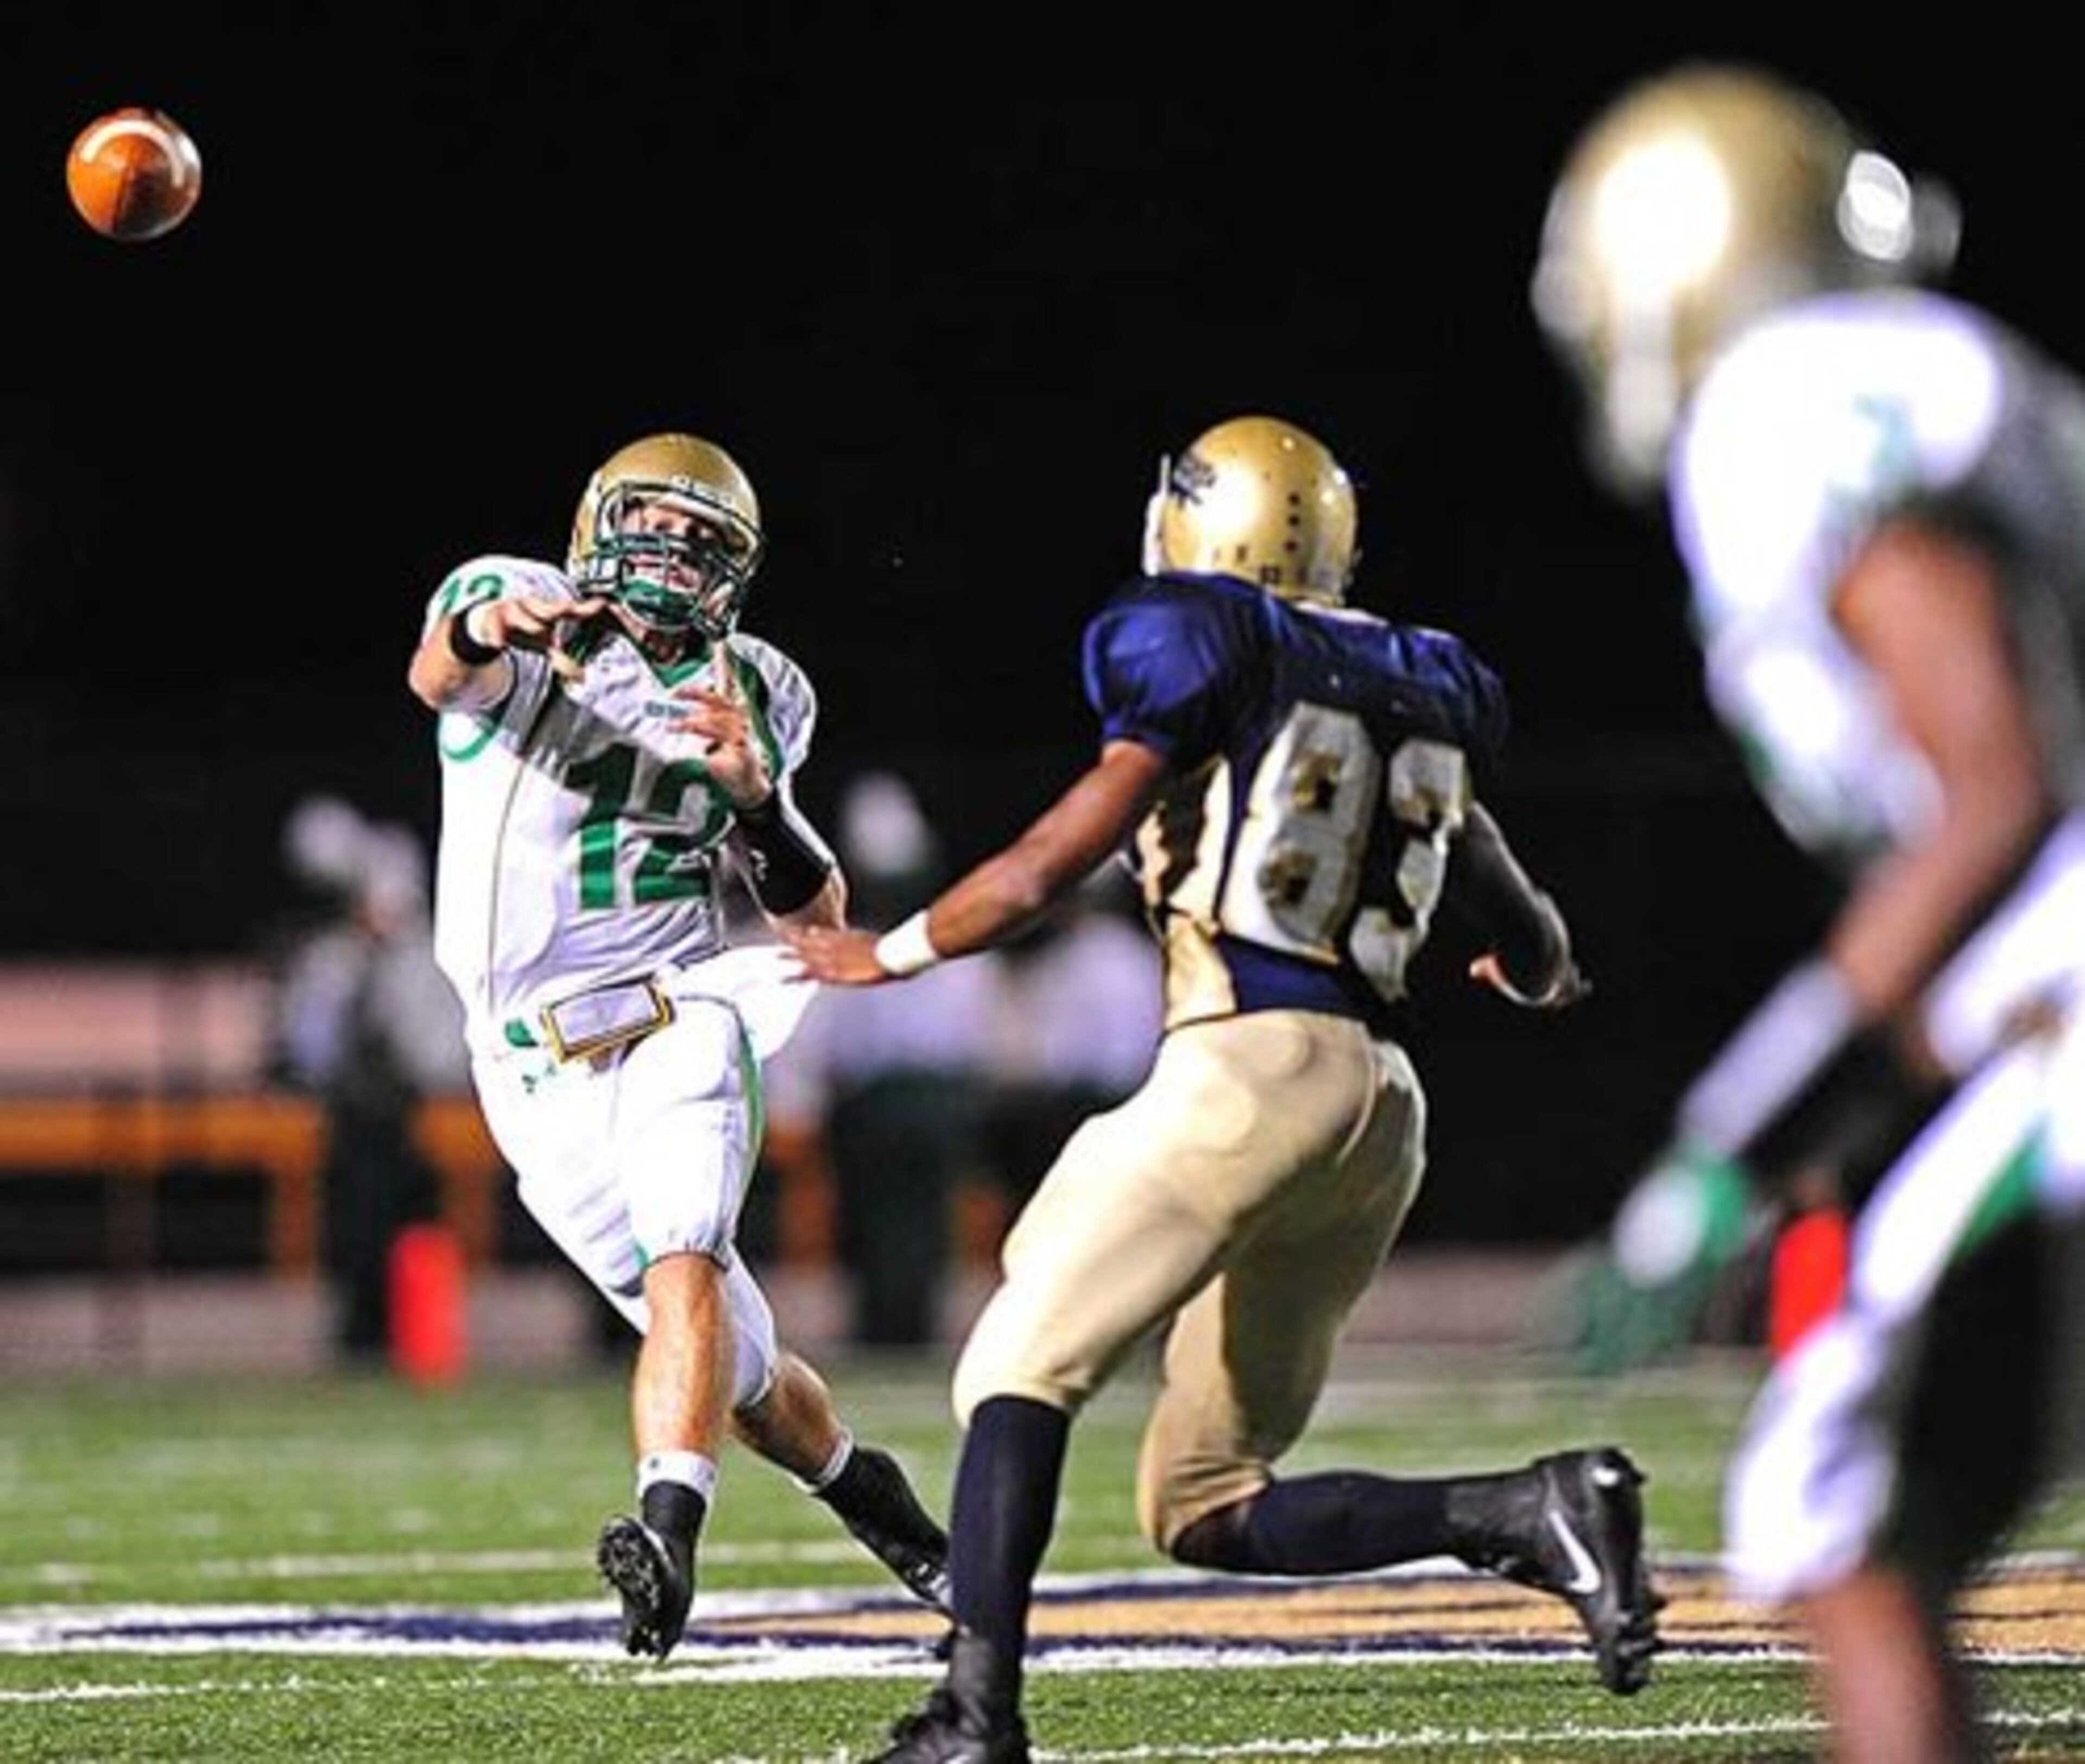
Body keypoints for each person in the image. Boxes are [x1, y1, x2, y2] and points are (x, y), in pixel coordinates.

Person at [788, 414, 1664, 1762]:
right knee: (1203, 1501)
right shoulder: (1413, 676)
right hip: (1380, 1107)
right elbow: (1503, 891)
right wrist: (1542, 968)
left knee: (1016, 1365)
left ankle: (974, 1717)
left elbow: (1039, 868)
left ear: (1203, 523)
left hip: (1246, 1063)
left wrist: (883, 951)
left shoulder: (1212, 650)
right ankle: (1528, 1508)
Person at [1533, 64, 2085, 1762]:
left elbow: (1991, 784)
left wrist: (1728, 1132)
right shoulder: (1951, 375)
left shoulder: (1792, 400)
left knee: (1827, 1490)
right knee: (1867, 1499)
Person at [404, 430, 952, 1662]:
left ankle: (667, 1528)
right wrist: (501, 617)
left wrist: (757, 799)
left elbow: (815, 919)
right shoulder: (524, 610)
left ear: (739, 572)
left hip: (674, 1004)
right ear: (599, 524)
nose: (672, 555)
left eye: (702, 543)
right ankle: (895, 1516)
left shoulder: (761, 688)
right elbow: (439, 673)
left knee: (685, 1244)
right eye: (651, 527)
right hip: (527, 1065)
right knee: (748, 1374)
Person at [780, 769, 1012, 1346]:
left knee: (915, 1222)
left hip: (912, 1101)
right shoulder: (866, 949)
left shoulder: (949, 948)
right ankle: (892, 1323)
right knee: (886, 1220)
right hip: (890, 1102)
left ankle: (902, 1324)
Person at [270, 793, 468, 1365]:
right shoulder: (340, 960)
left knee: (401, 1225)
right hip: (359, 1116)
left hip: (404, 1114)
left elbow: (433, 1050)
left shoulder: (411, 961)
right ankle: (365, 1336)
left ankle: (408, 1340)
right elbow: (314, 1048)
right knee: (360, 1228)